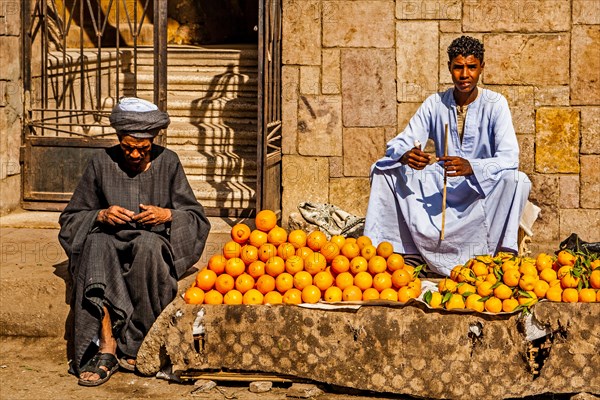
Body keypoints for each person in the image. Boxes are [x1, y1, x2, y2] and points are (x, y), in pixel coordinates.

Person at [59, 97, 211, 386]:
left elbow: (195, 217)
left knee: (148, 248)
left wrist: (166, 215)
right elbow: (72, 218)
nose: (135, 154)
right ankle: (107, 346)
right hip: (109, 242)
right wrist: (101, 215)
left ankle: (140, 341)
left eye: (143, 149)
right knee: (95, 245)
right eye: (128, 147)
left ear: (153, 141)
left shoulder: (169, 162)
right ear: (119, 139)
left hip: (151, 242)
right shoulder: (101, 162)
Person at [364, 36, 530, 276]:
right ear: (449, 68)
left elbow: (509, 158)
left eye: (471, 67)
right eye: (458, 67)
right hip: (441, 186)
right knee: (384, 170)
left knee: (518, 180)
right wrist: (406, 156)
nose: (465, 75)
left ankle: (499, 254)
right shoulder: (435, 103)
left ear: (481, 67)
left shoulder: (496, 104)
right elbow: (401, 142)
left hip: (479, 189)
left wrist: (471, 166)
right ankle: (404, 252)